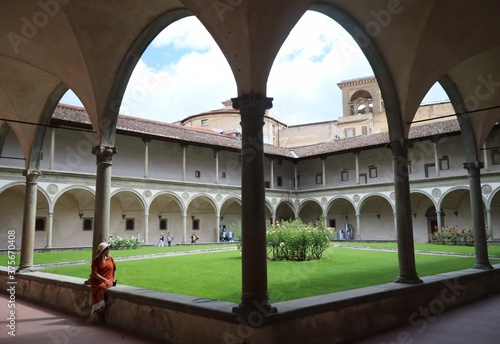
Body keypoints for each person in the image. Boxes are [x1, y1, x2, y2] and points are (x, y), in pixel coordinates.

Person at [87, 242, 116, 324]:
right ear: (103, 251)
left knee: (102, 287)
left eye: (108, 248)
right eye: (107, 249)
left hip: (109, 279)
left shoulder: (111, 259)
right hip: (98, 281)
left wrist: (114, 279)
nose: (108, 250)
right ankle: (99, 311)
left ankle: (99, 310)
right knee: (98, 287)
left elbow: (114, 270)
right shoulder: (96, 261)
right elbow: (95, 274)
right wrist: (104, 279)